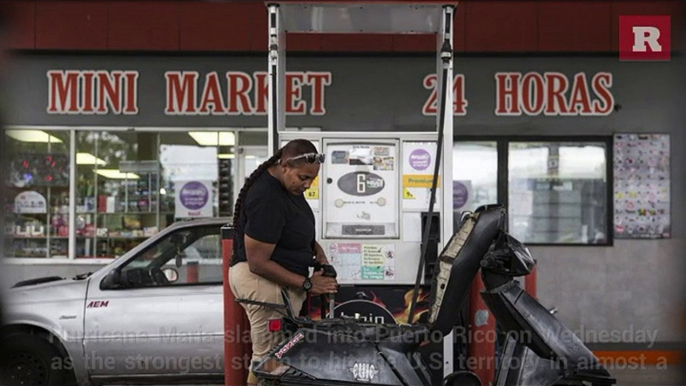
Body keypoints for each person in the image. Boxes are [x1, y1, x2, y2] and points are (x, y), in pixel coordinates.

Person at [229, 139, 338, 385]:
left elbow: (292, 228)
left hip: (278, 283)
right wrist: (308, 284)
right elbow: (258, 262)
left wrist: (317, 252)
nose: (307, 185)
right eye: (303, 177)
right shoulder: (268, 196)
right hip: (263, 283)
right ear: (285, 165)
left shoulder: (286, 188)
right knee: (270, 358)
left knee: (279, 356)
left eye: (312, 179)